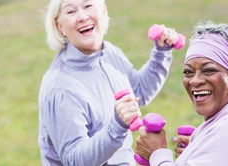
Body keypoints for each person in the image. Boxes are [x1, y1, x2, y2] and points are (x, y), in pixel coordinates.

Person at [38, 0, 180, 165]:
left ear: (103, 11)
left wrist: (161, 52)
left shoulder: (109, 52)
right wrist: (117, 126)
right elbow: (74, 159)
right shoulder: (60, 88)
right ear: (59, 26)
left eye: (88, 5)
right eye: (71, 11)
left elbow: (139, 92)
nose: (82, 16)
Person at [134, 20, 228, 165]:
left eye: (209, 70)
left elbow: (227, 138)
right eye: (188, 72)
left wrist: (157, 154)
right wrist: (199, 149)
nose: (195, 81)